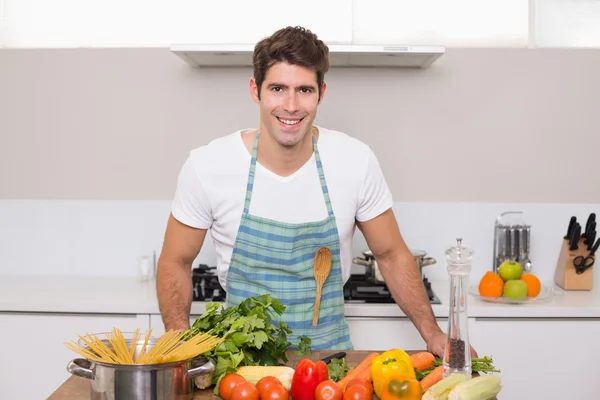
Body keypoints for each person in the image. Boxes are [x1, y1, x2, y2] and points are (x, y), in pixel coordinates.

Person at [156, 26, 450, 355]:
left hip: (329, 364)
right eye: (278, 88)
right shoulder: (208, 165)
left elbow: (391, 256)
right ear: (256, 90)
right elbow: (174, 262)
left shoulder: (355, 161)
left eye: (305, 90)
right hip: (239, 363)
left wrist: (432, 332)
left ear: (321, 93)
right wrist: (180, 340)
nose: (292, 105)